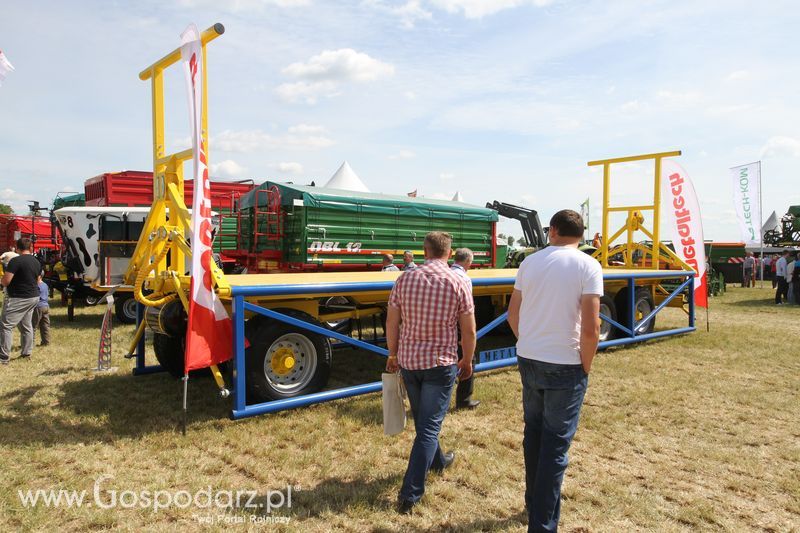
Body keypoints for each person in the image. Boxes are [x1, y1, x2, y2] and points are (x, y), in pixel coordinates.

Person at [507, 209, 602, 532]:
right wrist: (585, 364)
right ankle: (542, 523)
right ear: (580, 234)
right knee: (555, 446)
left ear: (552, 231)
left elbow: (512, 313)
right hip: (566, 363)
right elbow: (591, 327)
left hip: (530, 358)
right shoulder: (588, 265)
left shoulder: (529, 262)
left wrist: (528, 341)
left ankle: (534, 505)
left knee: (533, 435)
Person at [385, 231, 476, 514]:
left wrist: (392, 353)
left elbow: (392, 321)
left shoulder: (404, 278)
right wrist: (468, 360)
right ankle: (409, 494)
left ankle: (438, 461)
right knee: (428, 428)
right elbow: (468, 329)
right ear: (449, 253)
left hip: (410, 362)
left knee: (425, 422)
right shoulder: (458, 280)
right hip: (440, 363)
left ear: (424, 251)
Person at [1, 238, 43, 364]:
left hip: (18, 297)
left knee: (5, 326)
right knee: (26, 325)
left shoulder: (15, 261)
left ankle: (3, 358)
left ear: (17, 248)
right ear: (30, 248)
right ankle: (26, 352)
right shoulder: (36, 262)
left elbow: (6, 281)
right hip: (33, 296)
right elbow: (38, 280)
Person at [450, 247, 479, 409]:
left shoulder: (445, 273)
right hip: (459, 323)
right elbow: (466, 309)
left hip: (444, 323)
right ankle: (464, 400)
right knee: (468, 359)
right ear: (468, 261)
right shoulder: (464, 278)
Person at [32, 278, 50, 346]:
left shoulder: (36, 286)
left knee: (32, 326)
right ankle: (46, 342)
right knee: (45, 325)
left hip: (38, 306)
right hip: (46, 306)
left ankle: (30, 344)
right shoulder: (45, 285)